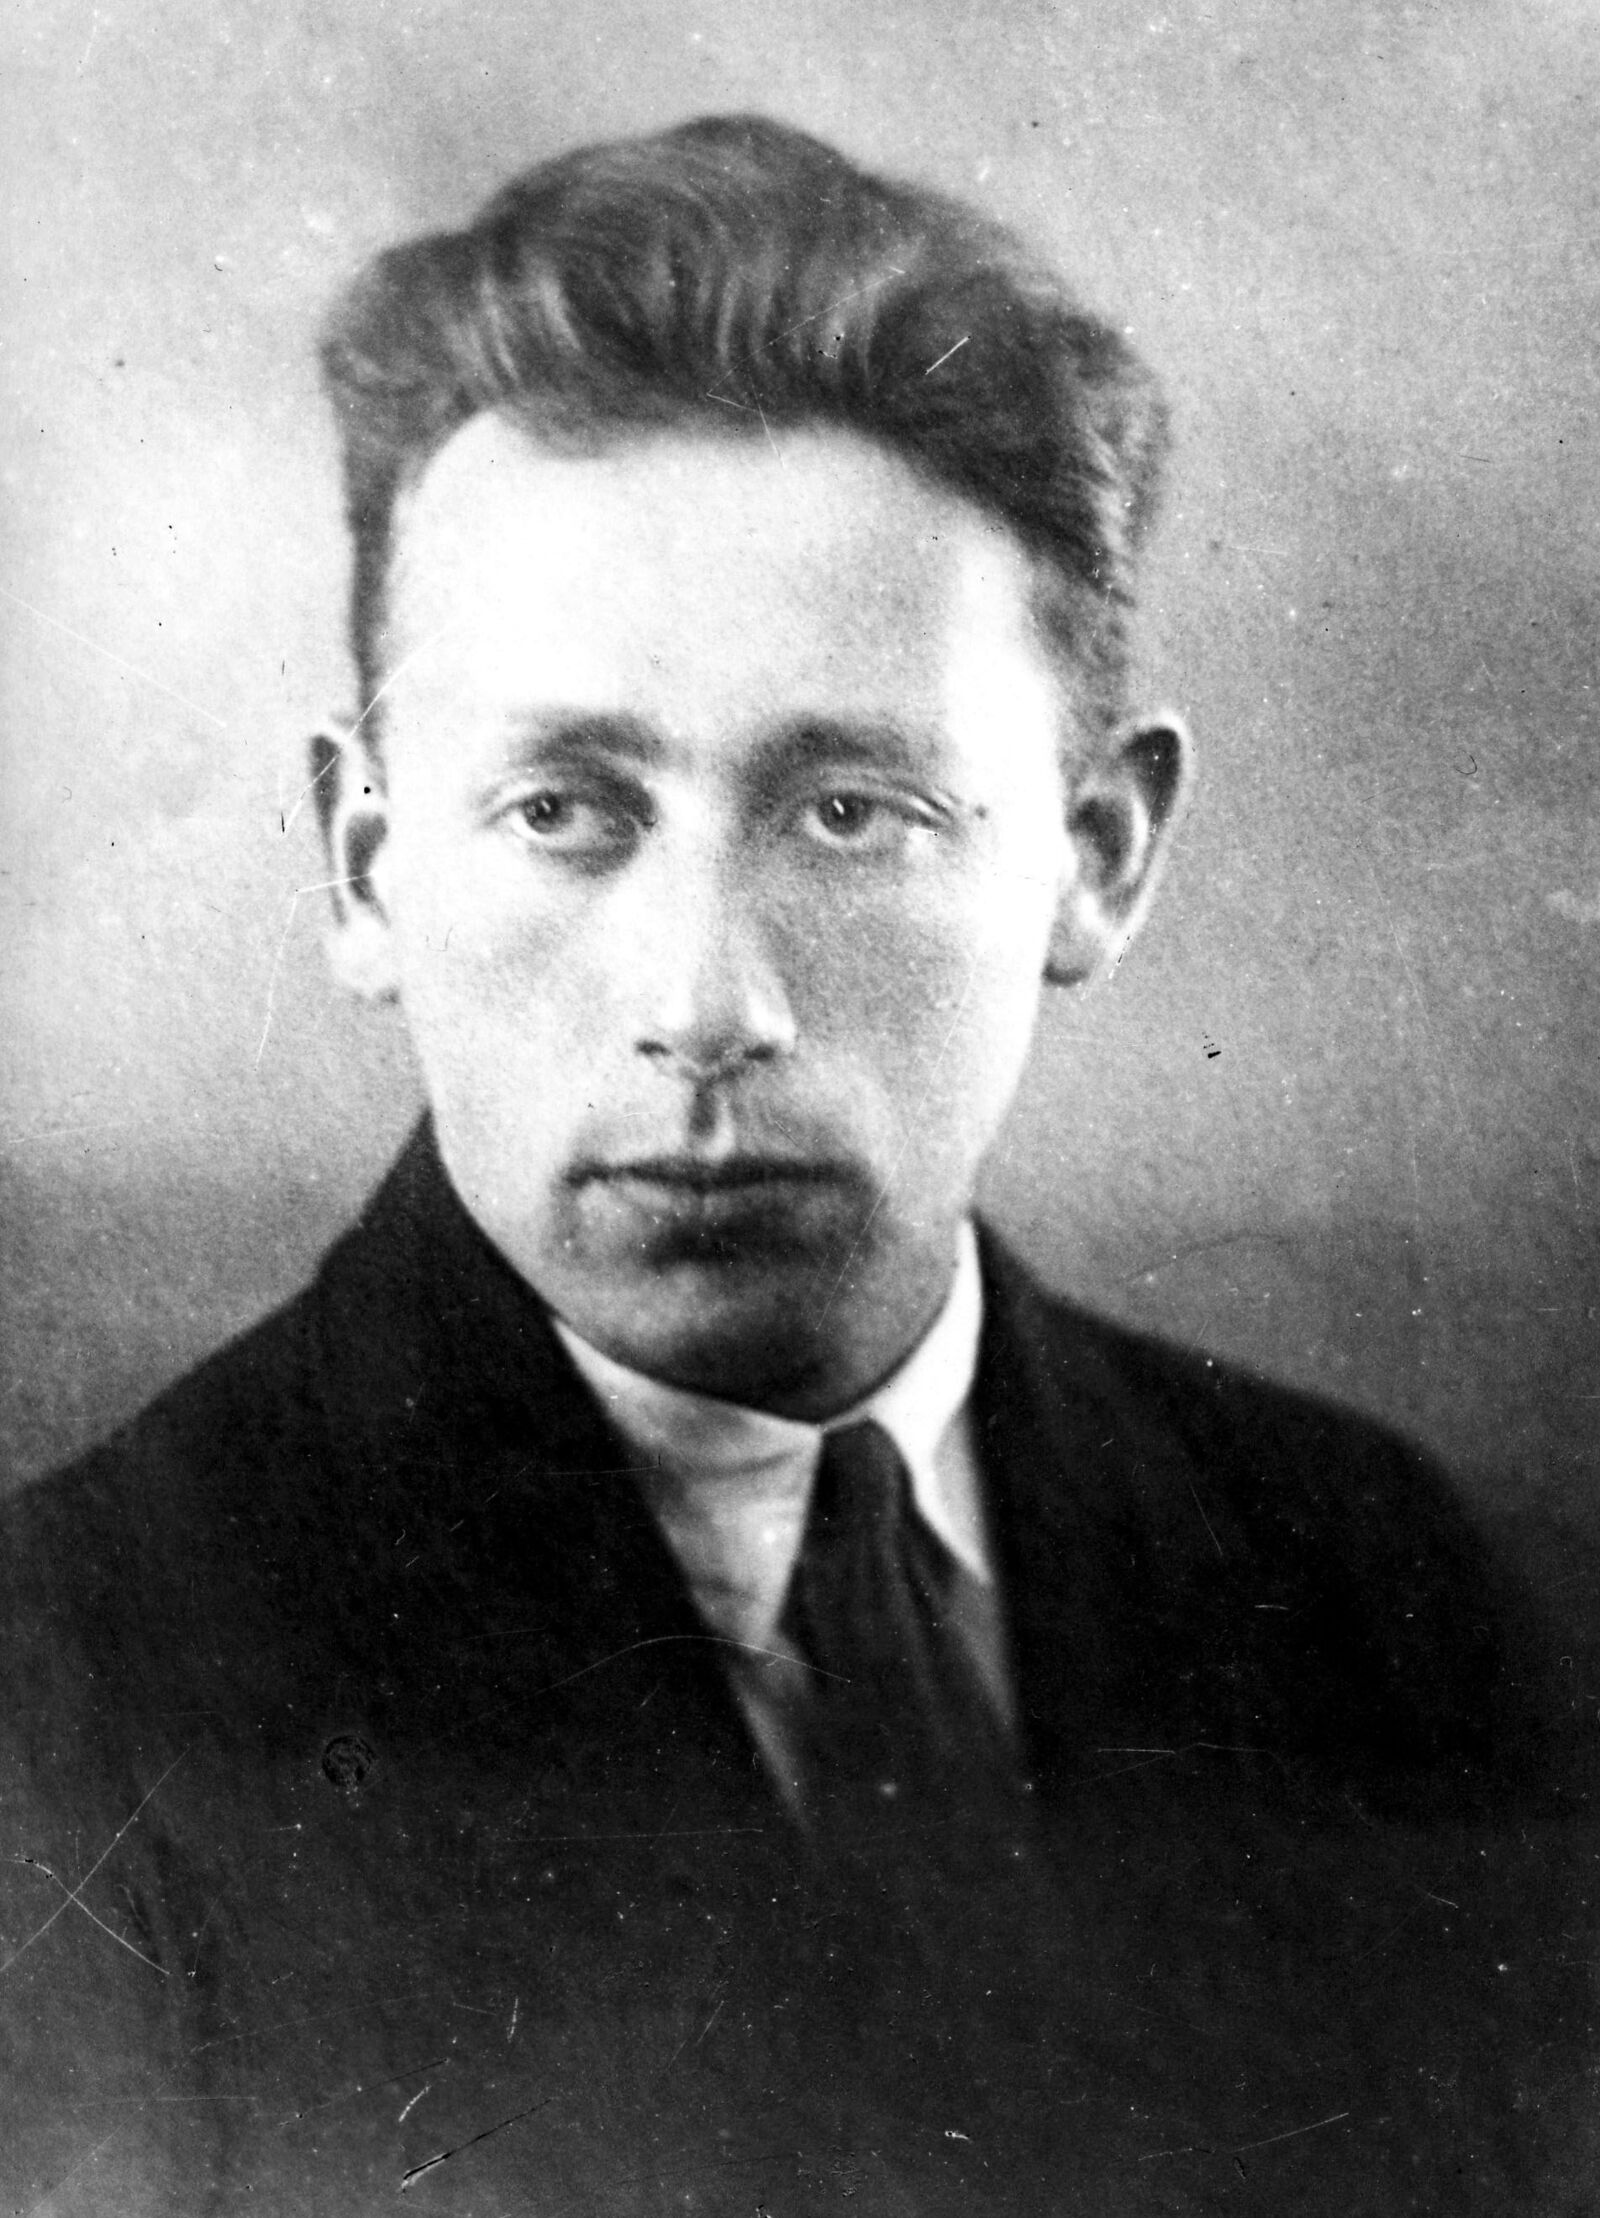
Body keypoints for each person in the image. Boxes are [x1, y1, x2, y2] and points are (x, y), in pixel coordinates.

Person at [1, 115, 1589, 2216]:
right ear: (366, 863)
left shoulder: (1390, 1590)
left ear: (1098, 853)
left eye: (851, 812)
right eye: (565, 808)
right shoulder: (71, 1681)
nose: (705, 1001)